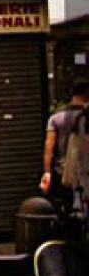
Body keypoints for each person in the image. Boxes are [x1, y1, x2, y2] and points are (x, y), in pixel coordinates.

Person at [42, 77, 89, 206]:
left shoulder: (56, 118)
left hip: (63, 173)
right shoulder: (86, 115)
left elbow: (49, 149)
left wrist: (47, 173)